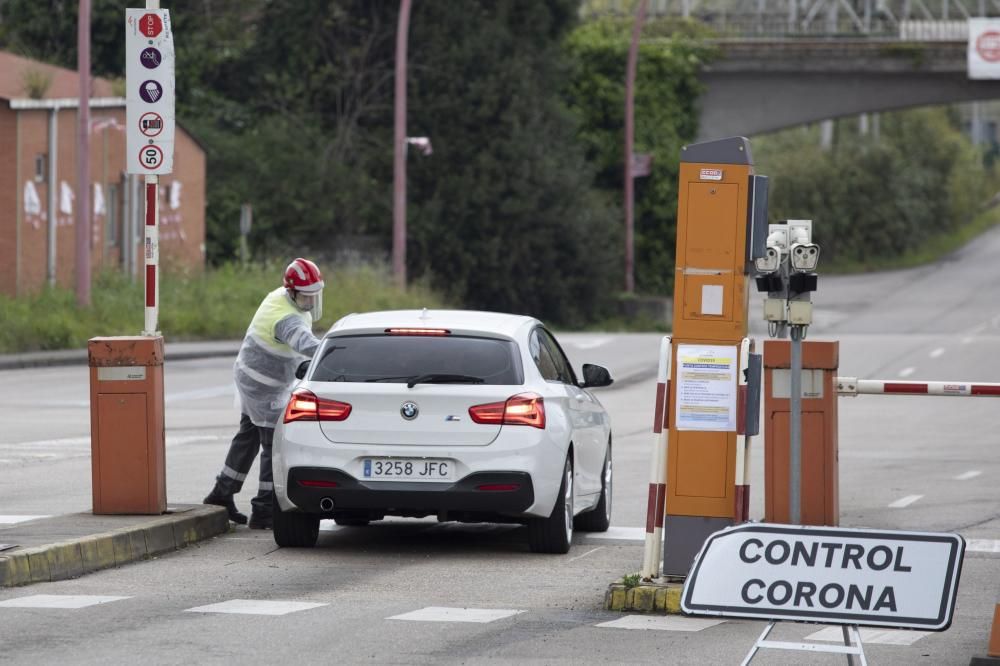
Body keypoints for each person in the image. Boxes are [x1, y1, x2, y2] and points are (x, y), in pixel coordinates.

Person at [203, 258, 325, 529]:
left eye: (313, 297)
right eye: (306, 298)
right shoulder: (287, 319)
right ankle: (264, 509)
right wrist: (336, 354)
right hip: (263, 386)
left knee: (247, 436)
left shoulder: (280, 297)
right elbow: (307, 345)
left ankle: (221, 493)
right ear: (292, 292)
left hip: (253, 379)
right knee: (272, 445)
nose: (310, 303)